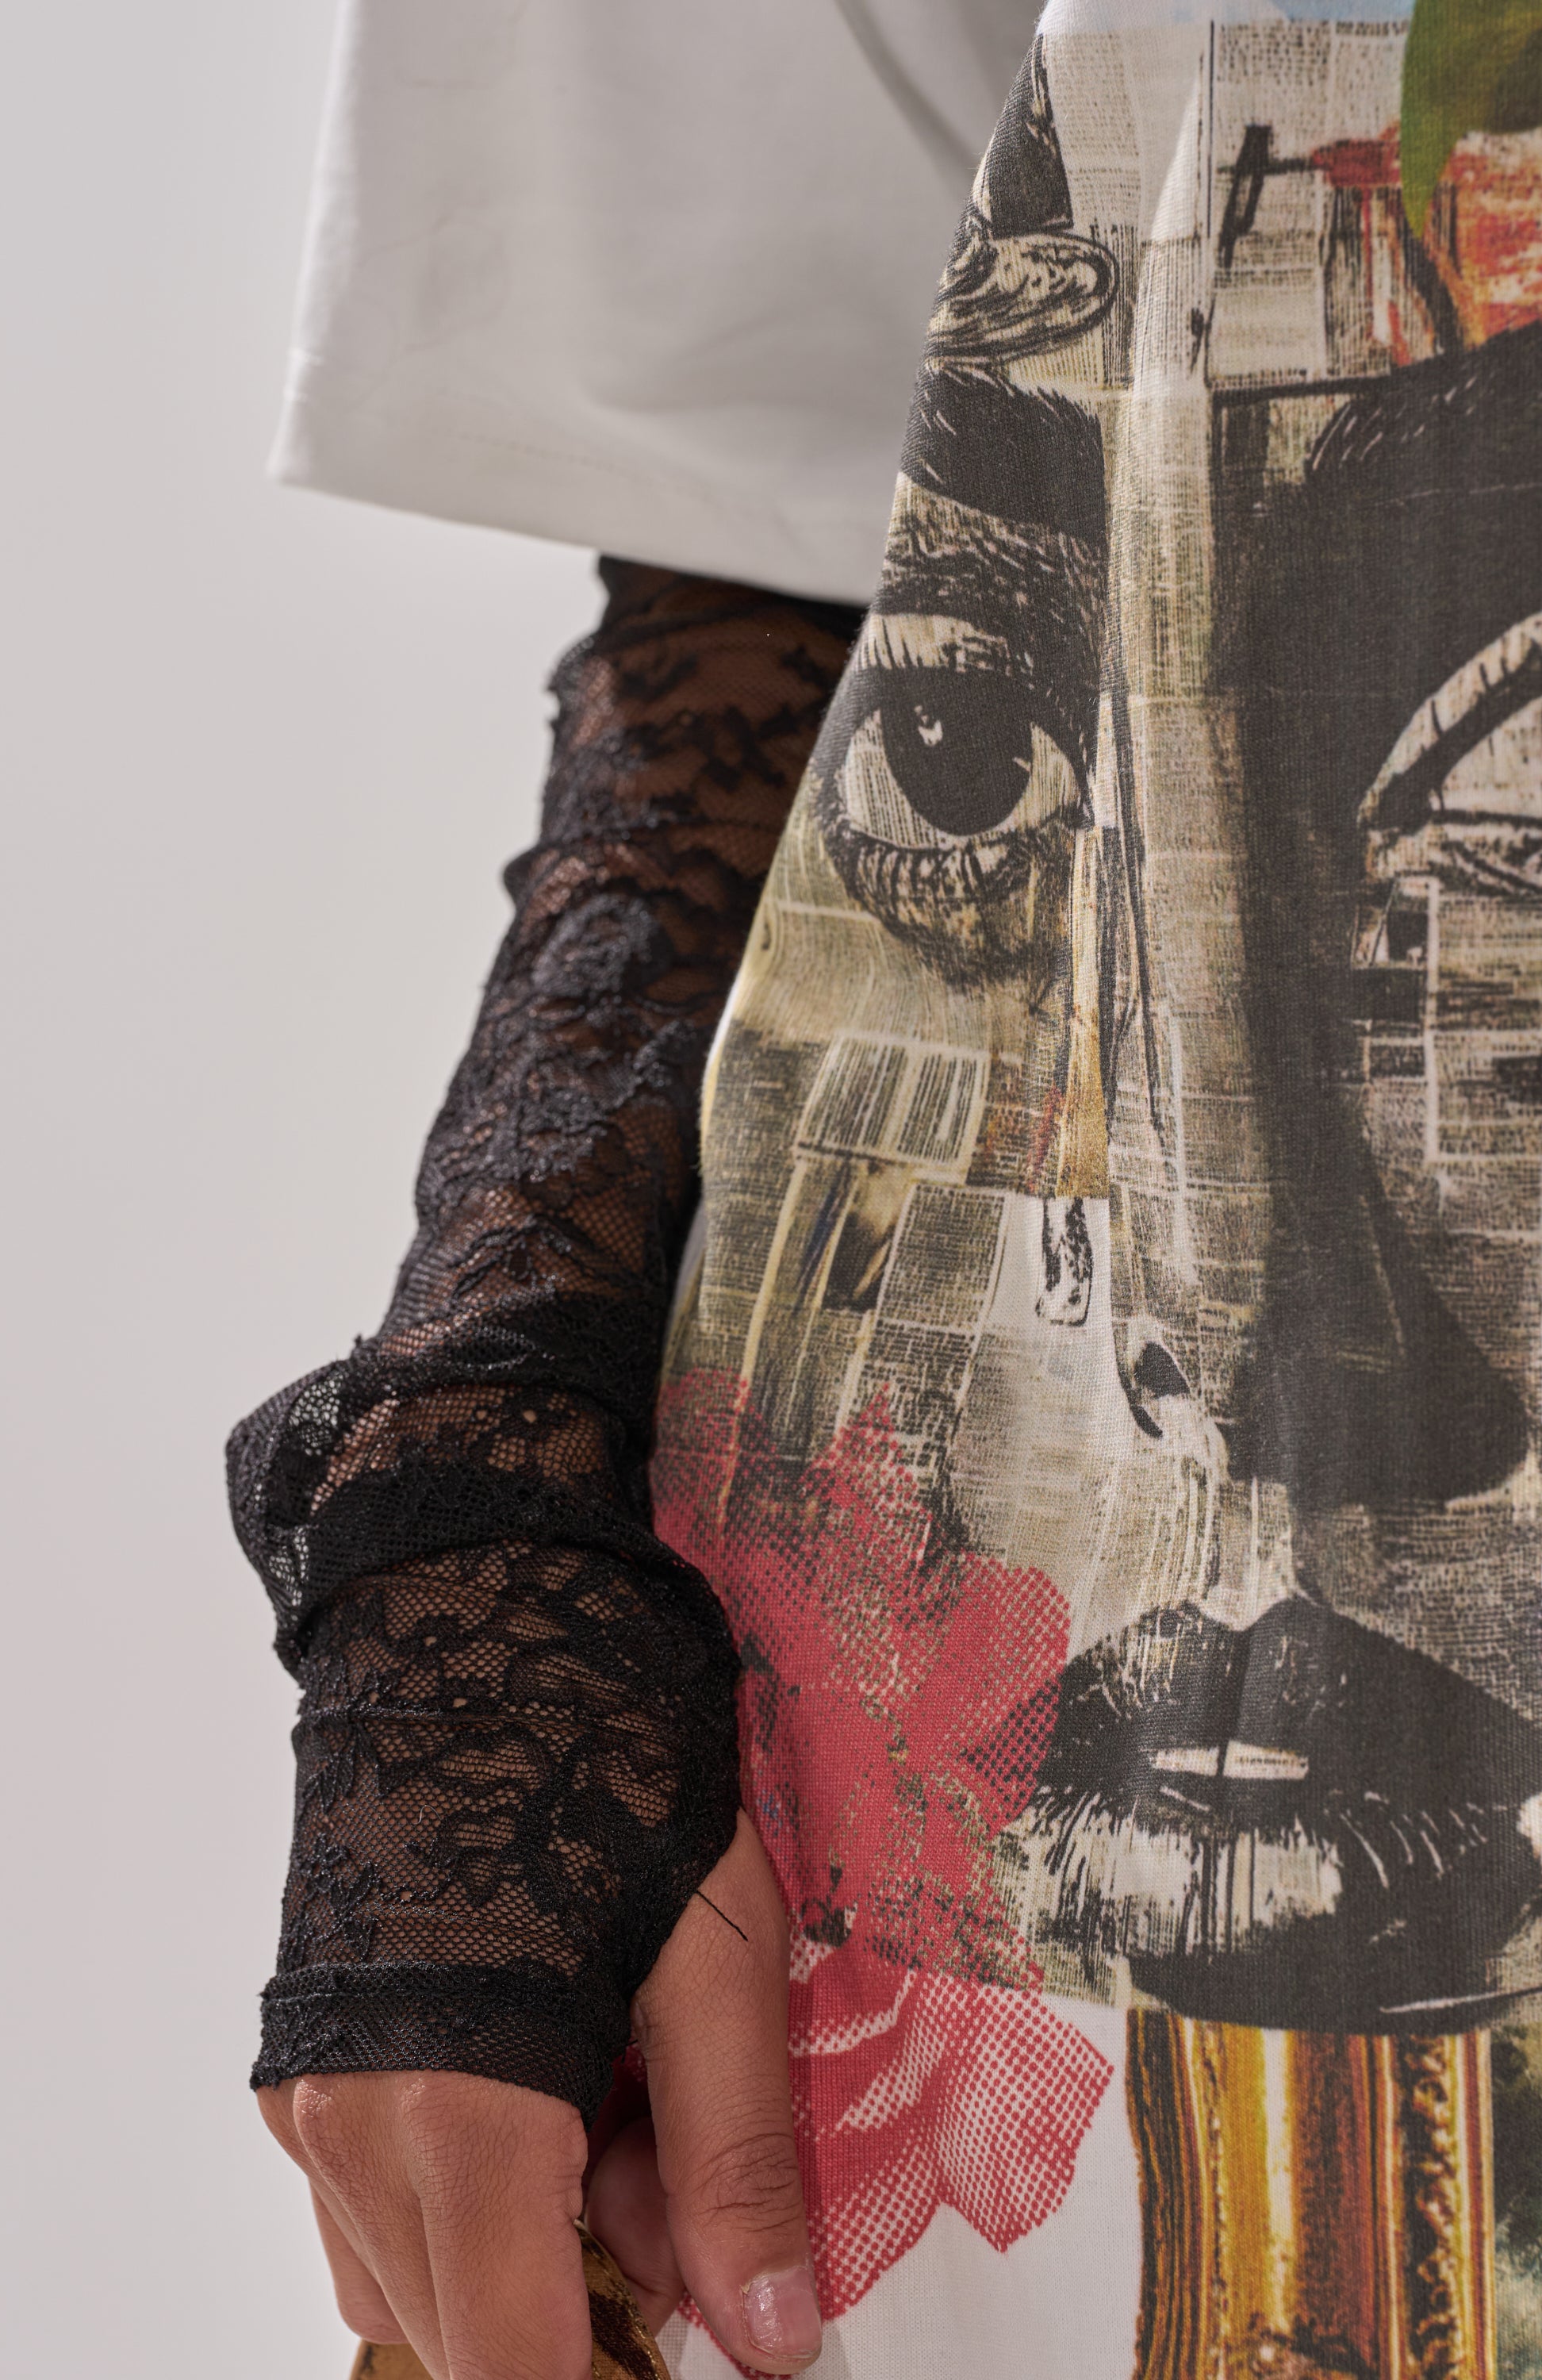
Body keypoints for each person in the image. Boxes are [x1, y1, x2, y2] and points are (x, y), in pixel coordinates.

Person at [231, 2, 1542, 2376]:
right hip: (1022, 1904)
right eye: (967, 747)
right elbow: (798, 526)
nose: (1236, 1333)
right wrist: (478, 1568)